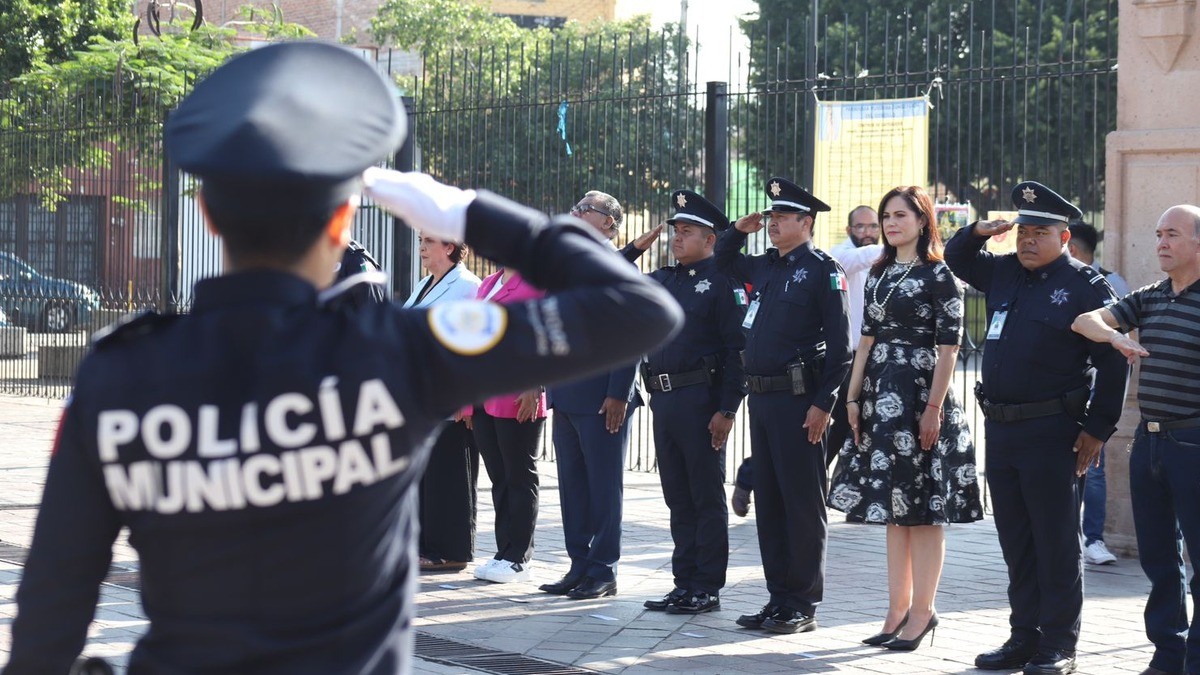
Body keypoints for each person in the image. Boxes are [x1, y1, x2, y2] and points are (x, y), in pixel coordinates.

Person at [2, 41, 683, 674]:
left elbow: (56, 592)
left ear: (208, 213)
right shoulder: (400, 350)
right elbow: (639, 311)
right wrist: (468, 213)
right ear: (341, 221)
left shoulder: (120, 373)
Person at [944, 181, 1127, 675]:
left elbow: (1114, 363)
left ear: (1064, 238)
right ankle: (1023, 636)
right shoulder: (1005, 272)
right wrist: (979, 230)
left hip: (1053, 432)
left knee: (1055, 542)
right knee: (1017, 541)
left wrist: (1097, 428)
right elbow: (957, 257)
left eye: (1039, 232)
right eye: (1023, 231)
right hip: (1002, 430)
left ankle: (1058, 643)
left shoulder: (1086, 286)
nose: (1027, 240)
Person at [827, 186, 983, 651]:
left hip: (920, 399)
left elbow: (949, 349)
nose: (891, 223)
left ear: (922, 220)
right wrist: (852, 399)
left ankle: (923, 612)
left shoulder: (941, 274)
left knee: (925, 513)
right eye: (886, 216)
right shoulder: (878, 272)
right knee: (894, 512)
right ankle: (896, 610)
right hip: (879, 397)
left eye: (900, 215)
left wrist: (933, 409)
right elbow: (866, 340)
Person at [717, 176, 852, 634]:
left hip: (800, 402)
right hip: (762, 398)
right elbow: (723, 259)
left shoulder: (822, 270)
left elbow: (841, 349)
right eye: (770, 215)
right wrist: (738, 230)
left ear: (806, 222)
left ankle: (802, 603)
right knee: (771, 502)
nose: (773, 223)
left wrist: (824, 403)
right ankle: (778, 598)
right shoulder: (766, 266)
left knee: (801, 504)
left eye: (782, 216)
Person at [1071, 204, 1200, 675]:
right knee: (1158, 558)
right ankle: (1168, 654)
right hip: (1148, 443)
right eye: (1159, 233)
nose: (1161, 243)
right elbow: (1085, 321)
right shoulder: (1151, 296)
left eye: (1173, 234)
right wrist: (1117, 338)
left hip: (1193, 443)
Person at [631, 190, 746, 615]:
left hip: (701, 400)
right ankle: (684, 582)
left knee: (705, 497)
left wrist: (727, 409)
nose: (677, 238)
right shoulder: (664, 279)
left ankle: (706, 586)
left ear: (711, 239)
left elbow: (738, 351)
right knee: (677, 497)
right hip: (663, 400)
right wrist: (636, 247)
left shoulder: (723, 282)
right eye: (675, 230)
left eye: (687, 231)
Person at [538, 190, 646, 600]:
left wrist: (619, 393)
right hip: (567, 395)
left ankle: (603, 570)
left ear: (608, 224)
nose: (575, 212)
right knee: (573, 488)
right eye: (576, 206)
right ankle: (578, 565)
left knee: (603, 487)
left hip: (603, 398)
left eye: (586, 209)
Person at [402, 235, 482, 571]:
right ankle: (425, 546)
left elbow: (476, 343)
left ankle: (452, 551)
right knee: (427, 476)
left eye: (429, 241)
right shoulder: (424, 283)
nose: (421, 247)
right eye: (421, 240)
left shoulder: (468, 286)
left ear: (449, 247)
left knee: (450, 476)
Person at [468, 267, 547, 584]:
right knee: (499, 477)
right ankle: (504, 552)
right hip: (484, 392)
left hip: (517, 392)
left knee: (519, 476)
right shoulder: (489, 282)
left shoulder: (537, 282)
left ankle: (519, 558)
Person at [1066, 221, 1128, 567]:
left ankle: (1093, 538)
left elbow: (1121, 350)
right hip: (1067, 395)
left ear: (1072, 248)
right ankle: (1070, 537)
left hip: (1097, 392)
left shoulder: (1111, 283)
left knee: (1094, 467)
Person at [826, 205, 885, 466]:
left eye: (873, 226)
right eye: (860, 227)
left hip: (877, 354)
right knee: (843, 417)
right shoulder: (841, 255)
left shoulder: (884, 260)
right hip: (846, 357)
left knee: (862, 421)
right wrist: (903, 244)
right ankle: (817, 471)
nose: (867, 232)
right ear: (849, 229)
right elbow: (862, 257)